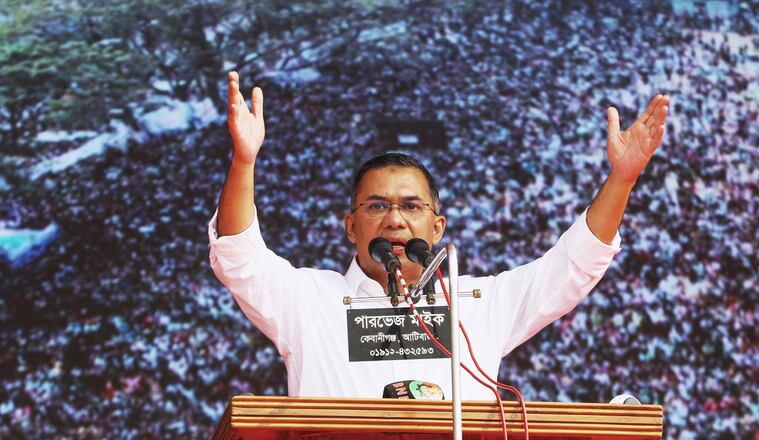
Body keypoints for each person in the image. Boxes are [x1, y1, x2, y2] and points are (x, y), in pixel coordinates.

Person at [209, 71, 669, 399]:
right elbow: (238, 256)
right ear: (350, 226)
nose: (394, 220)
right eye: (377, 206)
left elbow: (573, 265)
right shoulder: (307, 299)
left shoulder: (476, 304)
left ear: (437, 227)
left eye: (411, 207)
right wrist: (244, 161)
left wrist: (621, 180)